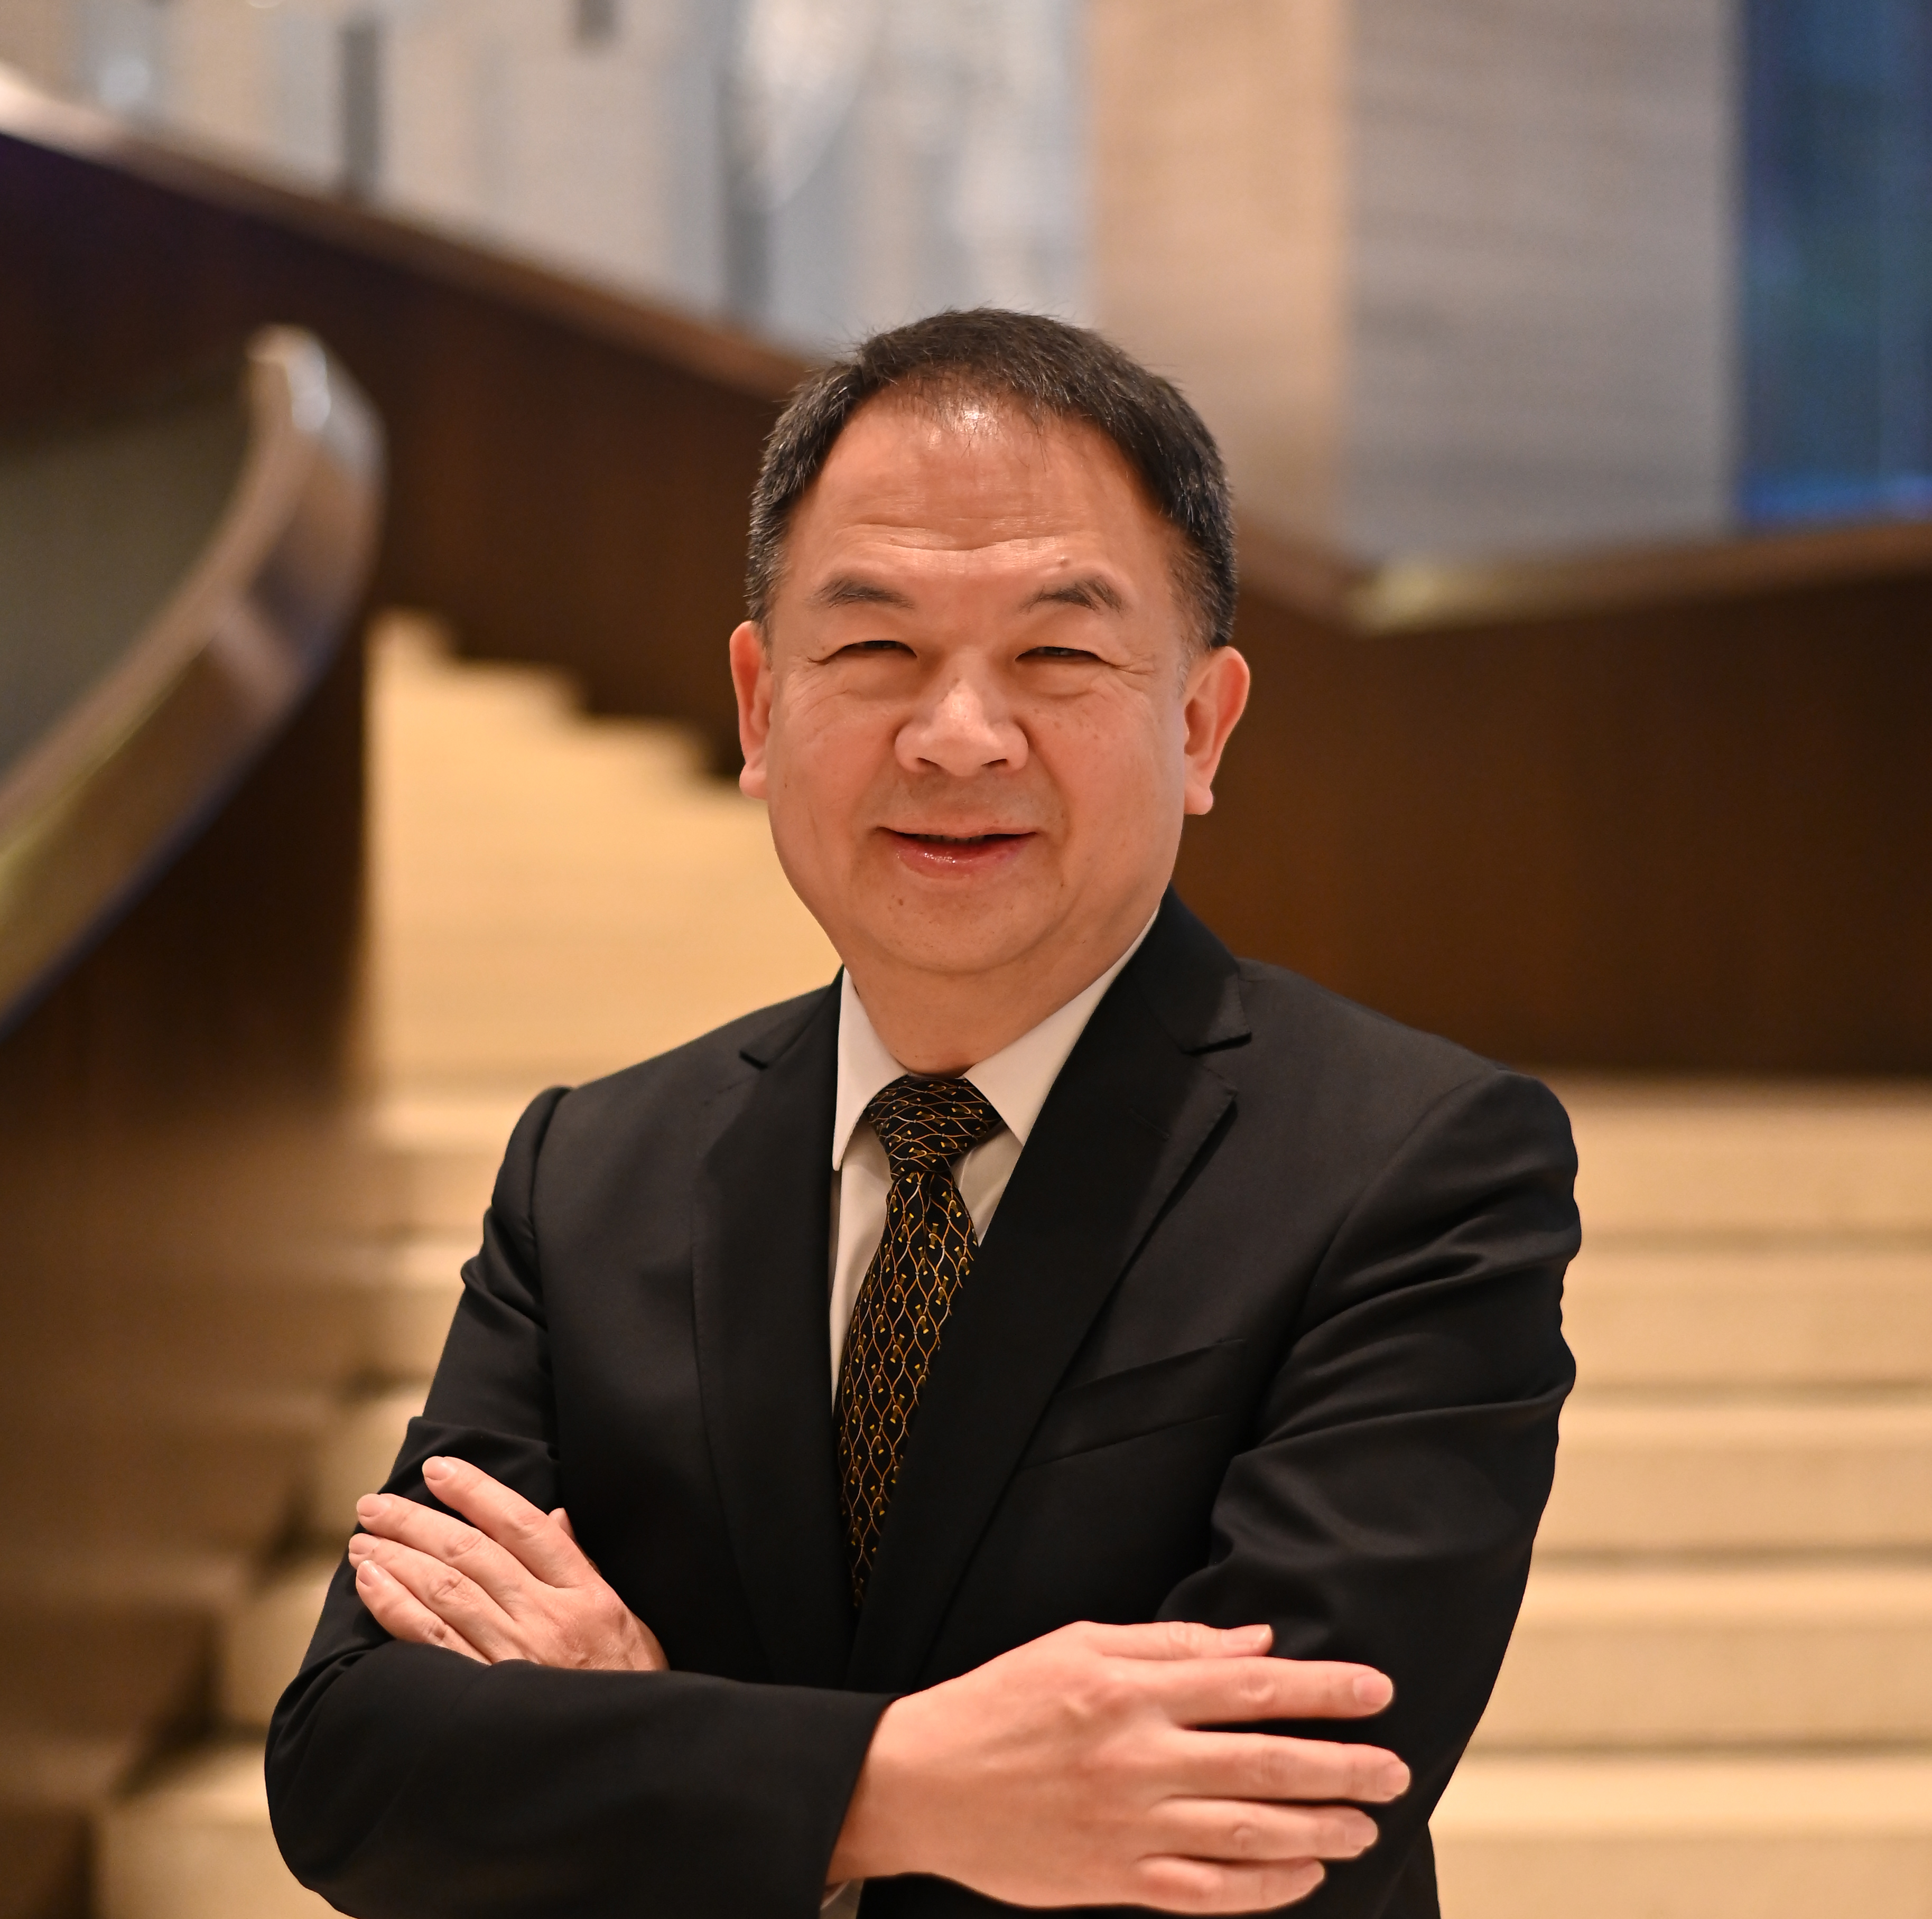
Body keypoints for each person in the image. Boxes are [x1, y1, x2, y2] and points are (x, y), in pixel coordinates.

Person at [266, 309, 1577, 1919]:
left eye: (1058, 653)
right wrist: (908, 1793)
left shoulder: (1416, 1169)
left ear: (1199, 725)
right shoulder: (594, 1174)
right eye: (875, 647)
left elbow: (1271, 1829)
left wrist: (646, 1725)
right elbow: (357, 1767)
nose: (959, 735)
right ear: (760, 706)